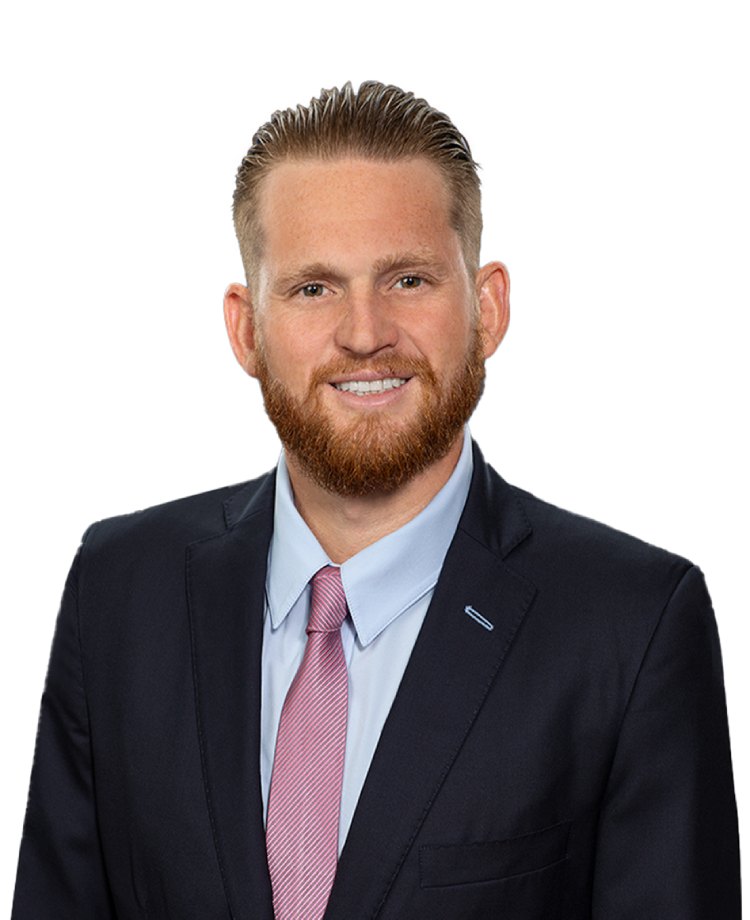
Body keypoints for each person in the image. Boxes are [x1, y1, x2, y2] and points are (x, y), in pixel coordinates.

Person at [12, 81, 740, 919]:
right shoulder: (117, 592)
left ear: (488, 308)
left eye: (409, 279)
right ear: (246, 329)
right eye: (313, 288)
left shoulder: (632, 627)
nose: (364, 333)